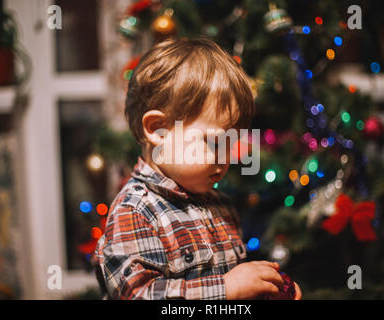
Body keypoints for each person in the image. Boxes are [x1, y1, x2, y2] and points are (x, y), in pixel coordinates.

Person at [93, 37, 301, 300]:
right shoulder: (135, 211)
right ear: (158, 129)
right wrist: (226, 288)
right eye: (215, 142)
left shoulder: (221, 205)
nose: (225, 157)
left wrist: (266, 290)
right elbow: (140, 295)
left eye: (231, 143)